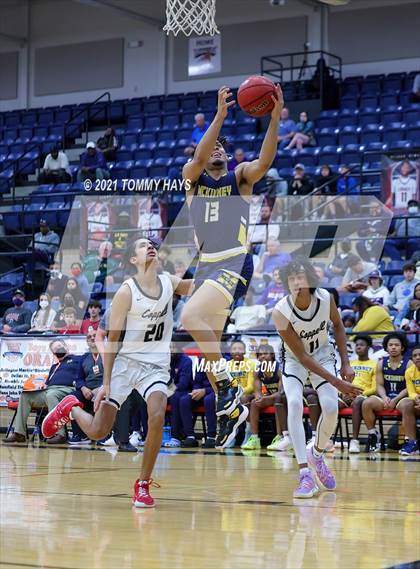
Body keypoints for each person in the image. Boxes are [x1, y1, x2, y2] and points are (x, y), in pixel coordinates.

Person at [42, 237, 193, 508]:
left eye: (151, 243)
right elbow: (111, 341)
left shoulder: (169, 281)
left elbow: (196, 287)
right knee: (99, 431)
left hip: (155, 365)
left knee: (157, 414)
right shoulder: (126, 292)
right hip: (125, 364)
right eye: (142, 245)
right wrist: (107, 383)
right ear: (133, 260)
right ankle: (71, 409)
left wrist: (221, 273)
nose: (150, 246)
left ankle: (143, 484)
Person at [180, 84, 283, 449]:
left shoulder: (239, 179)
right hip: (207, 266)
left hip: (236, 260)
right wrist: (220, 116)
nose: (218, 148)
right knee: (209, 343)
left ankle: (226, 387)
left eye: (223, 145)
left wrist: (273, 120)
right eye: (213, 146)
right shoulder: (192, 178)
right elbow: (199, 155)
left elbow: (266, 162)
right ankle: (229, 408)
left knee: (189, 317)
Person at [272, 258, 361, 499]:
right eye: (291, 279)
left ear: (310, 278)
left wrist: (345, 362)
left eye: (300, 277)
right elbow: (301, 356)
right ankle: (304, 474)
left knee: (331, 408)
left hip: (323, 354)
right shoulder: (280, 311)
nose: (296, 282)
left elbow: (339, 326)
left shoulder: (325, 298)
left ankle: (317, 454)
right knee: (293, 403)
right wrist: (337, 382)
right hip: (294, 360)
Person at [4, 339, 78, 444]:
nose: (58, 349)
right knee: (26, 395)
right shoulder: (54, 367)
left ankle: (60, 434)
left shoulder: (77, 359)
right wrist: (44, 385)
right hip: (49, 390)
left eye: (60, 346)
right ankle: (19, 433)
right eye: (55, 348)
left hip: (67, 390)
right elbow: (47, 383)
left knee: (52, 395)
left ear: (66, 347)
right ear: (54, 353)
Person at [362, 332, 412, 452]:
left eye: (396, 345)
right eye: (390, 345)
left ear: (402, 347)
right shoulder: (381, 363)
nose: (393, 347)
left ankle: (407, 440)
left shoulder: (409, 364)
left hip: (401, 398)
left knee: (407, 405)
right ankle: (373, 435)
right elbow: (379, 385)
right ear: (386, 347)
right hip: (386, 397)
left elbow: (409, 387)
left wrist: (395, 400)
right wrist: (384, 397)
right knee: (367, 403)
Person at [241, 344, 284, 451]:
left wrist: (265, 398)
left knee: (278, 400)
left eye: (265, 353)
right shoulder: (257, 371)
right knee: (255, 403)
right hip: (270, 397)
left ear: (272, 355)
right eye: (260, 355)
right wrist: (259, 398)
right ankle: (254, 438)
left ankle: (279, 437)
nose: (262, 356)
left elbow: (281, 392)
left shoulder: (279, 369)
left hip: (283, 397)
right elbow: (257, 391)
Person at [340, 335, 377, 454]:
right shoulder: (349, 363)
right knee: (331, 404)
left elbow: (375, 387)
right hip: (349, 393)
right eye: (357, 345)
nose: (359, 347)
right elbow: (343, 381)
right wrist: (344, 392)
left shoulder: (375, 364)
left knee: (357, 402)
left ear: (369, 348)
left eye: (362, 345)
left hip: (363, 395)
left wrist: (359, 393)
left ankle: (354, 440)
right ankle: (327, 439)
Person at [68, 331, 104, 444]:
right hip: (87, 392)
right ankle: (78, 434)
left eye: (95, 336)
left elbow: (113, 375)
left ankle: (104, 434)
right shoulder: (83, 357)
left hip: (103, 390)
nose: (92, 338)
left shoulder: (107, 354)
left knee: (105, 395)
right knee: (72, 398)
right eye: (89, 337)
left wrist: (101, 388)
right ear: (87, 342)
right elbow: (78, 378)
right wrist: (83, 388)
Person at [164, 348, 194, 447]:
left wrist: (167, 390)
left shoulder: (186, 361)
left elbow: (183, 384)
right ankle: (144, 434)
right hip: (166, 391)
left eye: (173, 347)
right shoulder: (163, 360)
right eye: (168, 347)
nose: (170, 350)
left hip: (182, 391)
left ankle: (175, 436)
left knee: (176, 397)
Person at [398, 345, 420, 455]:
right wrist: (416, 398)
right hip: (417, 403)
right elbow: (411, 391)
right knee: (406, 404)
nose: (418, 357)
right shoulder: (409, 371)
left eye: (419, 355)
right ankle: (412, 443)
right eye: (415, 355)